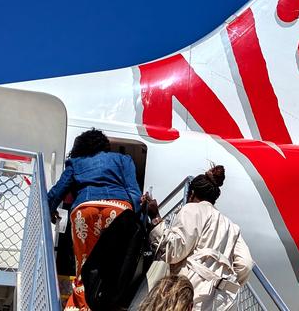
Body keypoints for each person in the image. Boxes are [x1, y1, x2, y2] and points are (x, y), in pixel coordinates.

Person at [47, 128, 142, 311]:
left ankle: (82, 306)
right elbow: (134, 194)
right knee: (114, 266)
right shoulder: (123, 160)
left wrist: (50, 211)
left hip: (86, 210)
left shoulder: (76, 162)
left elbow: (57, 192)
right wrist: (133, 218)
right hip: (118, 211)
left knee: (85, 266)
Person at [146, 165, 253, 311]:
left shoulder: (191, 209)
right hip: (222, 301)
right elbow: (245, 264)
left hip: (188, 294)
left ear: (192, 194)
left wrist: (155, 218)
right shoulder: (232, 227)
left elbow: (173, 251)